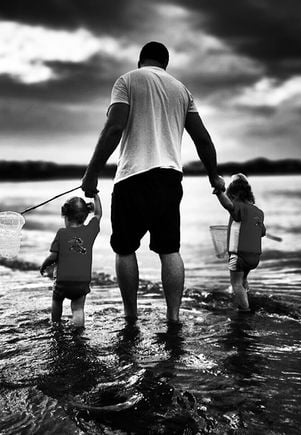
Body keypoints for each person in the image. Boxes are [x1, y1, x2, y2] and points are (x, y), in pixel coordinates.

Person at [81, 41, 225, 323]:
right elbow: (203, 139)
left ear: (141, 60)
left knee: (124, 248)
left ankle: (131, 316)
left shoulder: (127, 81)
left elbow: (114, 128)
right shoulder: (181, 90)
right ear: (165, 64)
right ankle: (173, 317)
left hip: (133, 176)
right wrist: (213, 175)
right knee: (169, 249)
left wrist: (91, 173)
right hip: (170, 177)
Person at [40, 194, 102, 327]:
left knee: (56, 301)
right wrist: (95, 195)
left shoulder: (61, 233)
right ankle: (78, 331)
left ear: (66, 217)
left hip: (63, 282)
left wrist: (44, 265)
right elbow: (98, 215)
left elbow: (53, 257)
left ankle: (56, 325)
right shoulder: (90, 231)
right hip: (82, 282)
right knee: (78, 308)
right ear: (85, 215)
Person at [214, 174, 265, 311]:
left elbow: (228, 205)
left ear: (234, 195)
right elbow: (263, 232)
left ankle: (245, 310)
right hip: (254, 258)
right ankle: (245, 295)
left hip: (239, 256)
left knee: (235, 283)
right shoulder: (258, 212)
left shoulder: (238, 207)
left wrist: (219, 193)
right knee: (242, 281)